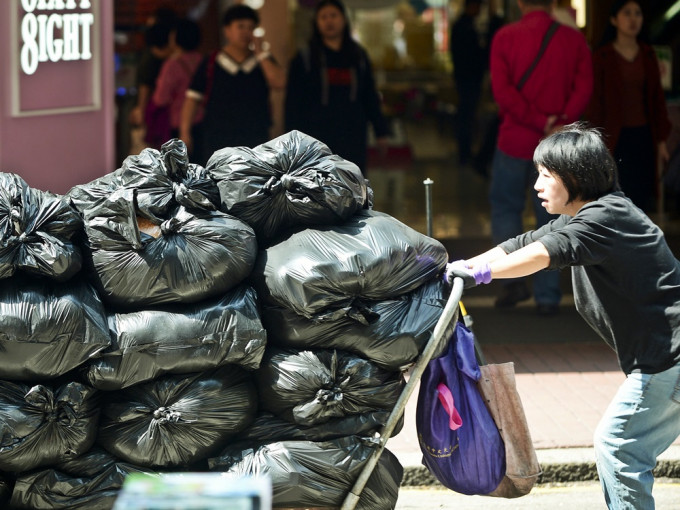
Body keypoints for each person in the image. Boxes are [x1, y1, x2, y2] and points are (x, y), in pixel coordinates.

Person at [445, 123, 680, 510]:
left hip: (668, 357)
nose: (537, 185)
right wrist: (465, 267)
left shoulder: (606, 218)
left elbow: (541, 255)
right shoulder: (588, 215)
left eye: (546, 176)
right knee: (626, 448)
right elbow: (522, 244)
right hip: (662, 357)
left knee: (618, 447)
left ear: (575, 177)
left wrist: (481, 275)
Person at [488, 0, 592, 315]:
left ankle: (511, 280)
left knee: (506, 207)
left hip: (514, 141)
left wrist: (535, 118)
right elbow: (584, 85)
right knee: (552, 216)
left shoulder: (504, 37)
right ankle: (547, 296)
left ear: (520, 3)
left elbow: (502, 91)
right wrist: (559, 121)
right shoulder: (573, 40)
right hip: (555, 146)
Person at [284, 0, 390, 174]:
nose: (329, 21)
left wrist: (381, 131)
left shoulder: (358, 56)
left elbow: (369, 96)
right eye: (323, 17)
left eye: (333, 16)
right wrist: (292, 141)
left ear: (344, 20)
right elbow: (293, 102)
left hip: (352, 135)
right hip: (315, 139)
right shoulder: (305, 58)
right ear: (316, 23)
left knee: (352, 188)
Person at [587, 0, 672, 213]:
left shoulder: (647, 53)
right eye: (627, 13)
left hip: (643, 134)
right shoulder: (603, 56)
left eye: (638, 13)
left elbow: (656, 99)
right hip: (614, 136)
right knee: (613, 196)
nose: (633, 19)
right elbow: (595, 103)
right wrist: (594, 140)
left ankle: (636, 244)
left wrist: (661, 140)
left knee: (640, 198)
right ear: (614, 19)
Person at [180, 4, 285, 165]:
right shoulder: (212, 61)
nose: (246, 32)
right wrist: (185, 132)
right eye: (240, 26)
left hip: (256, 139)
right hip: (218, 139)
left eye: (251, 27)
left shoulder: (261, 60)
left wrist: (261, 53)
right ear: (227, 30)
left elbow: (279, 82)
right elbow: (192, 99)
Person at [449, 0, 502, 172]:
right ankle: (465, 153)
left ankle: (465, 153)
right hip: (468, 78)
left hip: (467, 78)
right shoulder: (464, 27)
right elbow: (472, 55)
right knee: (466, 115)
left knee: (467, 115)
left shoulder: (464, 26)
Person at [151, 18, 204, 158]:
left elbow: (160, 99)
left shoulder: (173, 64)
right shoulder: (204, 60)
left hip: (179, 123)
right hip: (206, 120)